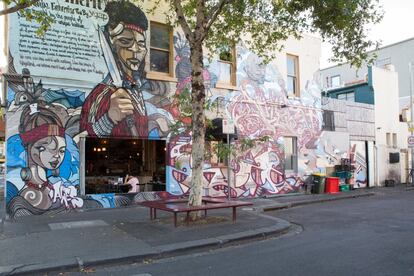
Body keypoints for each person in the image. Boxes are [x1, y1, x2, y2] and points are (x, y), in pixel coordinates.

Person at [80, 0, 149, 138]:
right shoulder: (101, 94)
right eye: (125, 41)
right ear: (111, 45)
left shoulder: (137, 90)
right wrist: (109, 119)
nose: (135, 50)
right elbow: (81, 144)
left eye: (141, 44)